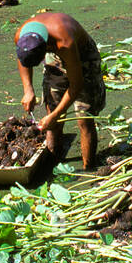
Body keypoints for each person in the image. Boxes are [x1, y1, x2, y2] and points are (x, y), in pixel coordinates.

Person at [14, 12, 105, 170]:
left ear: (45, 50)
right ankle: (52, 162)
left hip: (83, 56)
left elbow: (76, 85)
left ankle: (89, 168)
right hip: (53, 51)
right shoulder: (21, 37)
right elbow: (23, 60)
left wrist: (55, 117)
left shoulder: (64, 43)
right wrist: (28, 89)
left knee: (84, 118)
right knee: (52, 108)